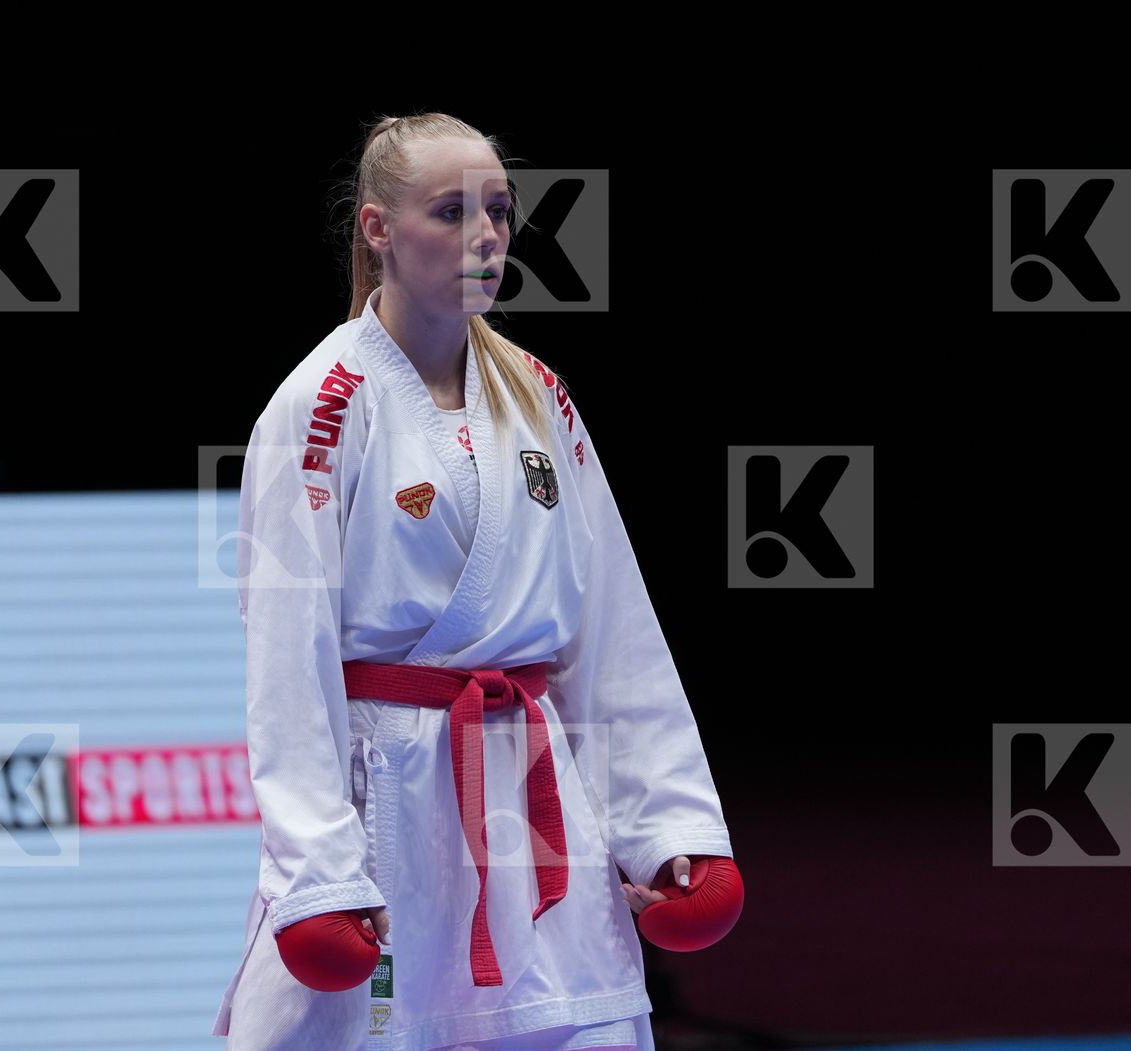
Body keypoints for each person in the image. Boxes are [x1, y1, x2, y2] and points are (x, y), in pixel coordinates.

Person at [211, 112, 743, 1051]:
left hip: (536, 805)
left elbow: (609, 627)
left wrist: (668, 822)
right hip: (391, 807)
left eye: (498, 209)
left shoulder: (537, 392)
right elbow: (286, 658)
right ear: (378, 229)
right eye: (450, 212)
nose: (485, 235)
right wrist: (319, 875)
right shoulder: (323, 403)